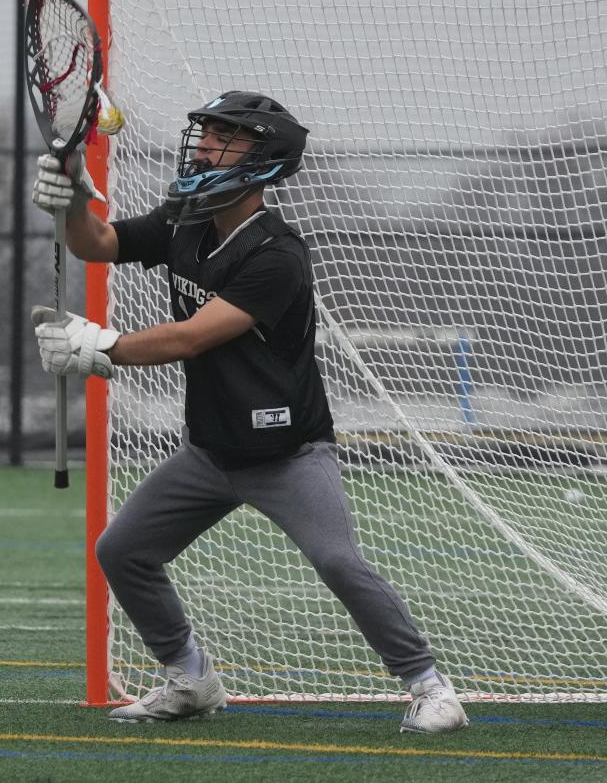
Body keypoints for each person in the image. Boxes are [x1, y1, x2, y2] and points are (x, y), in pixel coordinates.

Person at [31, 90, 468, 734]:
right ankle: (191, 678)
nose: (205, 144)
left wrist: (101, 347)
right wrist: (69, 198)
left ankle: (431, 688)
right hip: (211, 449)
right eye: (205, 132)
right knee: (123, 550)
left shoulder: (276, 254)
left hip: (287, 453)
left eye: (225, 137)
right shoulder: (186, 218)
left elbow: (192, 336)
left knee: (338, 561)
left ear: (263, 158)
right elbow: (96, 243)